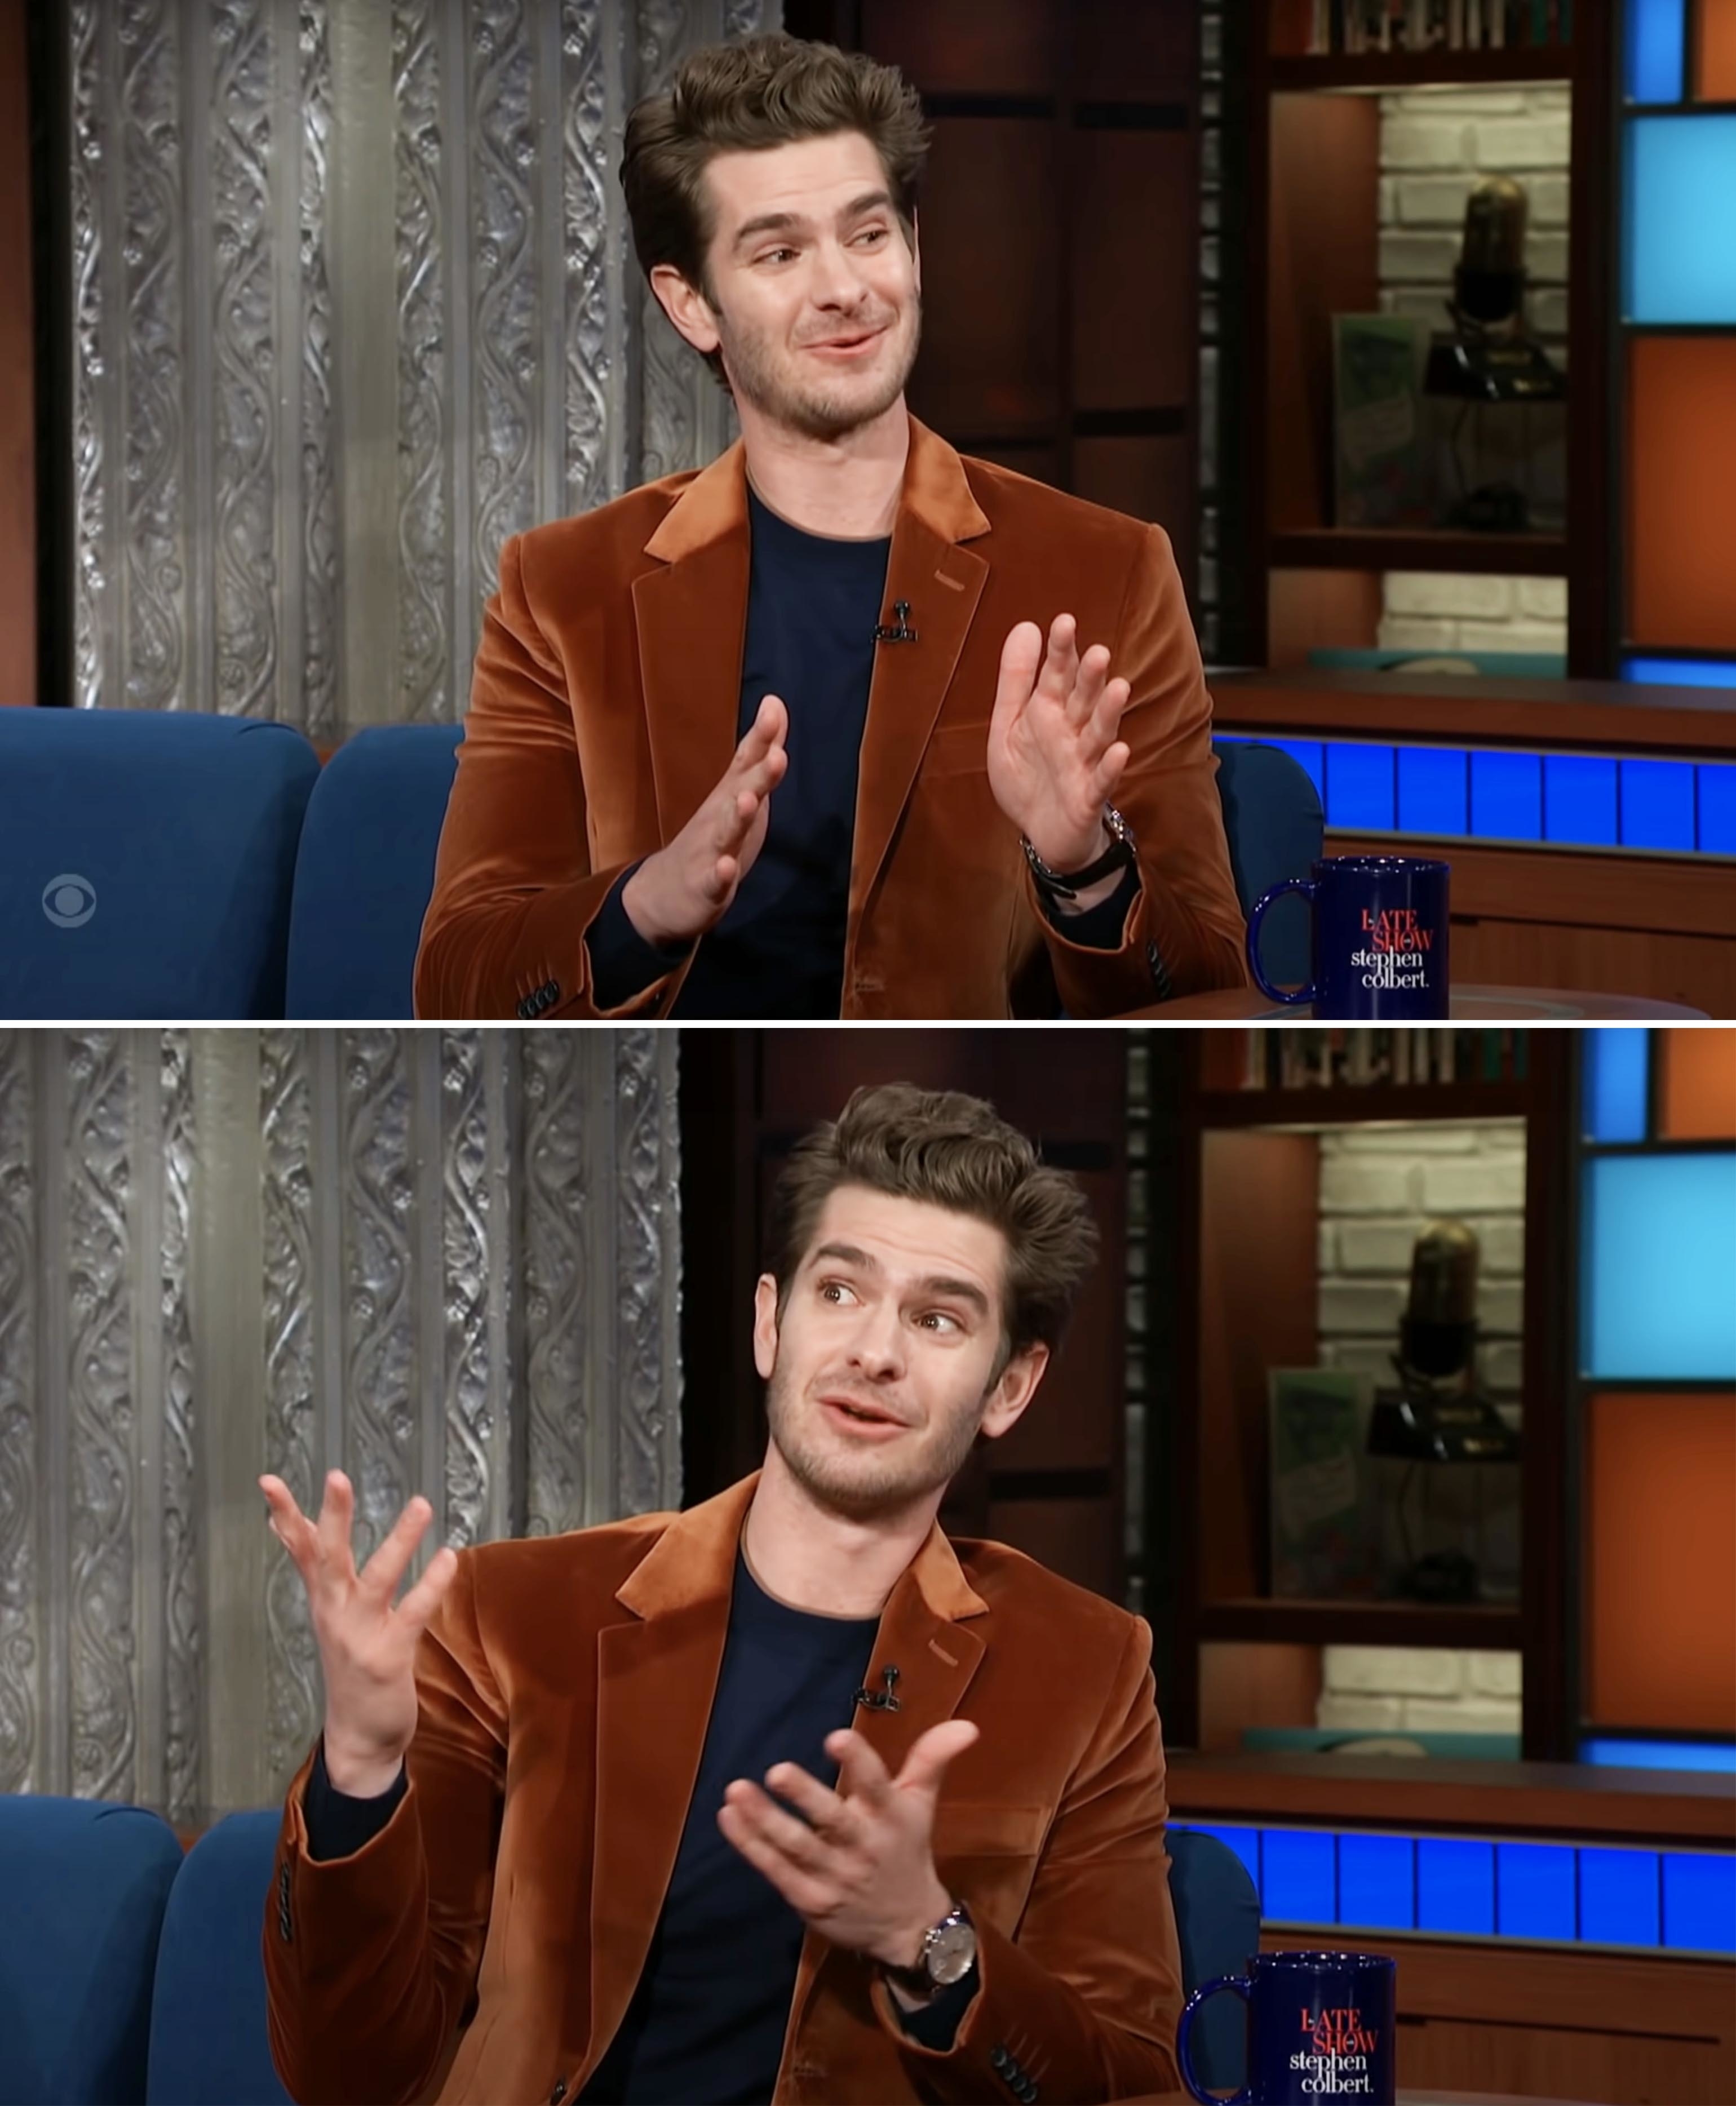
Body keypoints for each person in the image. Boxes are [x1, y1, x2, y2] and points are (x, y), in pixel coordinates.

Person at [260, 1083, 1186, 2105]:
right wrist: (358, 1770)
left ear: (1009, 1386)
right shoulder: (514, 1612)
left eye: (936, 1318)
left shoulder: (1087, 1668)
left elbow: (1133, 2083)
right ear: (770, 1322)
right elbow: (349, 2074)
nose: (875, 1352)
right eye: (840, 1291)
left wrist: (925, 1937)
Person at [412, 34, 1247, 1022]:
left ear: (915, 246)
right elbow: (457, 978)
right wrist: (647, 904)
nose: (845, 287)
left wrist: (1086, 865)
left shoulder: (1106, 571)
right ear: (692, 304)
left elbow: (1212, 988)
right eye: (780, 252)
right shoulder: (564, 589)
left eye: (868, 234)